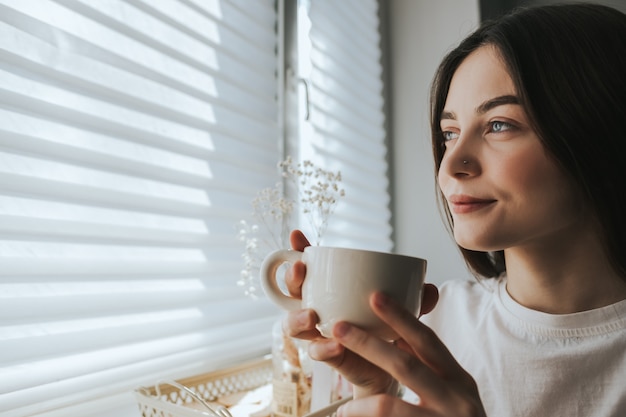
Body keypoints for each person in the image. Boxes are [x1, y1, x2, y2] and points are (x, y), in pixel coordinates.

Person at [281, 3, 626, 416]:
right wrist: (374, 392)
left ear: (602, 133)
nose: (450, 166)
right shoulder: (426, 325)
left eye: (499, 124)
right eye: (449, 133)